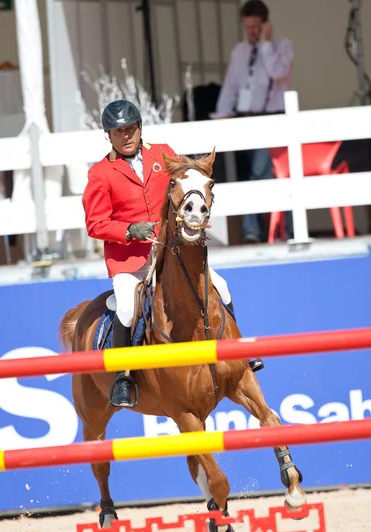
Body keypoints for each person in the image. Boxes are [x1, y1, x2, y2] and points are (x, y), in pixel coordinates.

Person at [82, 100, 264, 409]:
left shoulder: (161, 153)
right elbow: (95, 223)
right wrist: (127, 230)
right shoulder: (101, 174)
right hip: (131, 260)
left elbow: (186, 179)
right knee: (127, 308)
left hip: (170, 252)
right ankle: (124, 377)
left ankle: (237, 353)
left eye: (130, 129)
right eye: (118, 132)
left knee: (222, 286)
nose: (126, 136)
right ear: (108, 136)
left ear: (139, 128)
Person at [215, 0, 294, 243]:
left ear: (266, 24)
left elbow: (277, 72)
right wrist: (221, 114)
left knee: (259, 171)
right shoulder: (239, 51)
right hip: (245, 119)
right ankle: (286, 228)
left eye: (256, 27)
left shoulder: (282, 46)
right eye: (247, 27)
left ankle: (252, 229)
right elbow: (231, 84)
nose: (252, 32)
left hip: (272, 117)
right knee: (267, 174)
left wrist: (266, 44)